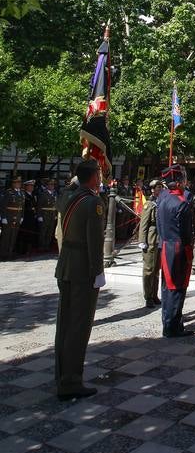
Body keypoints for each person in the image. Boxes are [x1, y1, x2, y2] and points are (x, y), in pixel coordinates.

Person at [54, 159, 105, 400]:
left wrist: (78, 179)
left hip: (65, 265)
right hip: (83, 268)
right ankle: (71, 380)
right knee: (78, 326)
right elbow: (95, 243)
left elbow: (69, 188)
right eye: (99, 172)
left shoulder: (67, 197)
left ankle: (62, 374)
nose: (101, 176)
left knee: (64, 324)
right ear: (93, 176)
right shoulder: (93, 203)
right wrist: (98, 271)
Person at [157, 165, 194, 337]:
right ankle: (173, 326)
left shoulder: (162, 200)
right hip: (178, 248)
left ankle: (167, 322)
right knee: (178, 288)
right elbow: (186, 233)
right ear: (179, 183)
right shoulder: (182, 204)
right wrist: (190, 251)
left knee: (166, 287)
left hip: (165, 246)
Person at [139, 179, 162, 309]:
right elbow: (144, 224)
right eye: (157, 188)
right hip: (151, 239)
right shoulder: (149, 204)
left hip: (159, 239)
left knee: (157, 270)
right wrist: (142, 241)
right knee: (149, 270)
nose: (160, 190)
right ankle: (148, 296)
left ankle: (154, 294)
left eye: (161, 188)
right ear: (152, 190)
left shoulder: (161, 203)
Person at [0, 176, 25, 260]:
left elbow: (22, 207)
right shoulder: (8, 192)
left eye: (19, 183)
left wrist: (21, 216)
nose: (18, 184)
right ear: (13, 184)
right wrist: (3, 217)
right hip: (8, 217)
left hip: (17, 217)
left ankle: (10, 253)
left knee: (13, 236)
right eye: (16, 183)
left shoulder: (21, 193)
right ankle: (3, 254)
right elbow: (3, 206)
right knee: (6, 237)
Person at [37, 178, 57, 251]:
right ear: (47, 186)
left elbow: (56, 205)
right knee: (43, 231)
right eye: (50, 184)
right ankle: (41, 246)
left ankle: (47, 246)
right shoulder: (43, 194)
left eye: (53, 184)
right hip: (44, 215)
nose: (52, 186)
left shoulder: (55, 194)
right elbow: (39, 205)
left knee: (50, 231)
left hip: (52, 215)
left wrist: (55, 214)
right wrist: (39, 216)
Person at [17, 179, 37, 255]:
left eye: (32, 186)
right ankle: (22, 250)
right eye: (30, 186)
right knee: (24, 233)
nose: (32, 187)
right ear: (26, 187)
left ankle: (29, 249)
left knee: (30, 234)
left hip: (31, 217)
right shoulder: (23, 194)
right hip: (25, 216)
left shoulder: (33, 195)